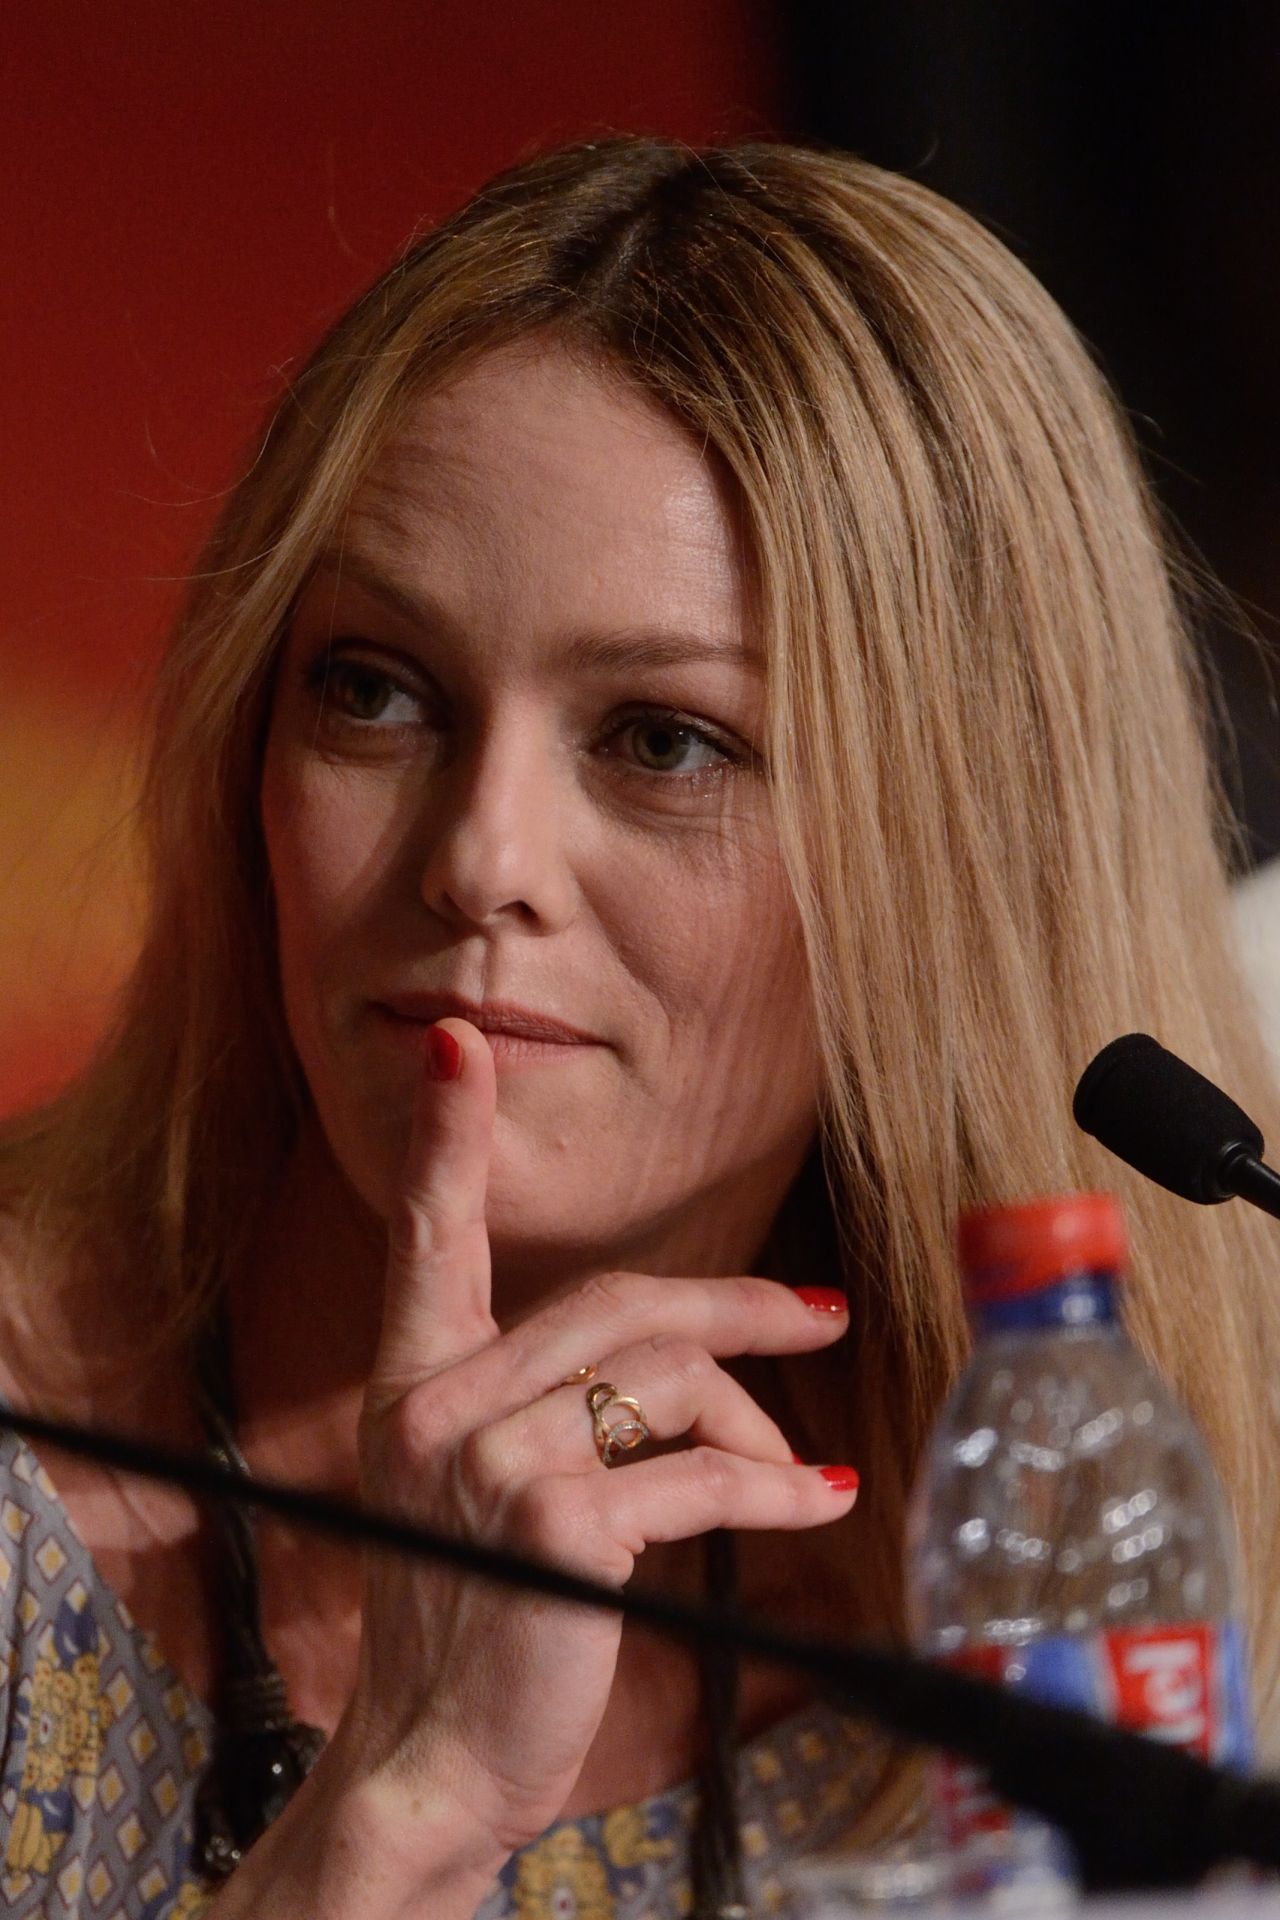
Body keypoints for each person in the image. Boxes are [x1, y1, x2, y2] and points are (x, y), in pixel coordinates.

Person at [1, 135, 1278, 1920]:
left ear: (964, 863)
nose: (481, 860)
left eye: (663, 739)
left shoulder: (1082, 1580)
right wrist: (394, 1822)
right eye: (377, 692)